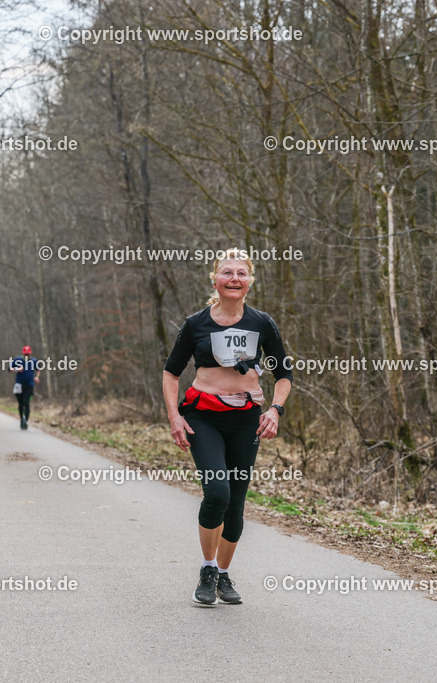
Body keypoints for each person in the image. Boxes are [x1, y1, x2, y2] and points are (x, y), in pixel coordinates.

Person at [162, 248, 292, 606]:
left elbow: (283, 375)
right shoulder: (196, 324)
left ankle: (223, 573)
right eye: (227, 273)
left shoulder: (262, 323)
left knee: (235, 504)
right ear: (215, 279)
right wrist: (175, 416)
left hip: (246, 421)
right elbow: (171, 372)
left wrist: (275, 411)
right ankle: (206, 569)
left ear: (249, 281)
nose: (234, 279)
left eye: (241, 273)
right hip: (203, 417)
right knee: (217, 492)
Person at [10, 346, 41, 430]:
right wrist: (17, 369)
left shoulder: (34, 361)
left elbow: (39, 370)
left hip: (29, 385)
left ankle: (25, 421)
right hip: (19, 385)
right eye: (25, 354)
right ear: (23, 353)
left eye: (28, 354)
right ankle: (22, 419)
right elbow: (9, 368)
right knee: (20, 404)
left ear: (30, 353)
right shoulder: (17, 360)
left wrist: (37, 377)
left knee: (26, 403)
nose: (27, 355)